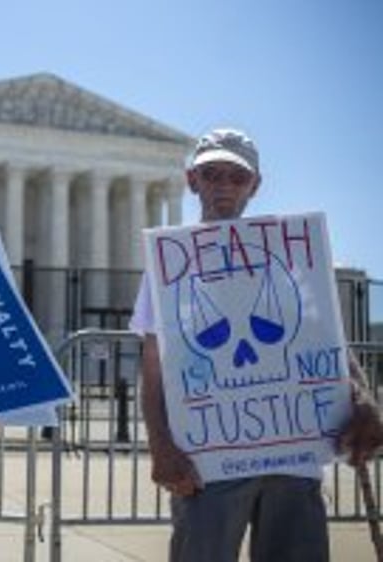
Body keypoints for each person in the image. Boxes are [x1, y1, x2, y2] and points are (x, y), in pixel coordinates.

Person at [130, 127, 383, 562]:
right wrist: (160, 446)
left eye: (236, 176)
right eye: (212, 175)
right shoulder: (169, 264)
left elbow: (328, 341)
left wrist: (365, 401)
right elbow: (153, 367)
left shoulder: (291, 257)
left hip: (294, 459)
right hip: (207, 464)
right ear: (192, 181)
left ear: (255, 185)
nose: (223, 186)